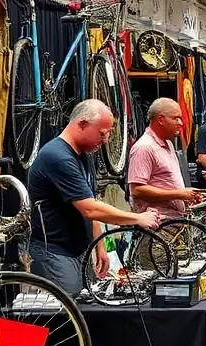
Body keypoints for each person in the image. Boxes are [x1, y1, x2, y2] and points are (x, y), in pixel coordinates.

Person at [28, 100, 160, 296]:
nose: (105, 140)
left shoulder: (82, 155)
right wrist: (137, 218)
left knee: (87, 303)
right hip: (54, 251)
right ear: (82, 124)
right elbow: (90, 208)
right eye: (102, 133)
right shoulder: (58, 157)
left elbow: (92, 202)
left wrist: (100, 246)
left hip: (77, 250)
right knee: (67, 309)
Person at [128, 98, 206, 220]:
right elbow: (137, 190)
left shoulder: (168, 144)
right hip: (158, 224)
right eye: (176, 118)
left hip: (173, 221)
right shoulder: (144, 147)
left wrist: (184, 197)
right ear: (161, 119)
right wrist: (179, 194)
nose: (181, 123)